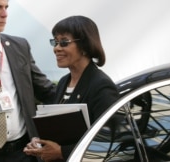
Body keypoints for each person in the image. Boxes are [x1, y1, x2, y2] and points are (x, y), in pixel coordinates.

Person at [0, 0, 56, 162]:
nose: (5, 14)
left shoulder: (19, 46)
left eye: (6, 7)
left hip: (25, 152)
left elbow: (46, 91)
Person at [24, 15, 120, 162]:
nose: (56, 48)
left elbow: (110, 142)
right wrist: (41, 142)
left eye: (64, 42)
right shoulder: (64, 82)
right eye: (55, 42)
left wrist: (62, 152)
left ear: (85, 46)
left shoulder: (101, 86)